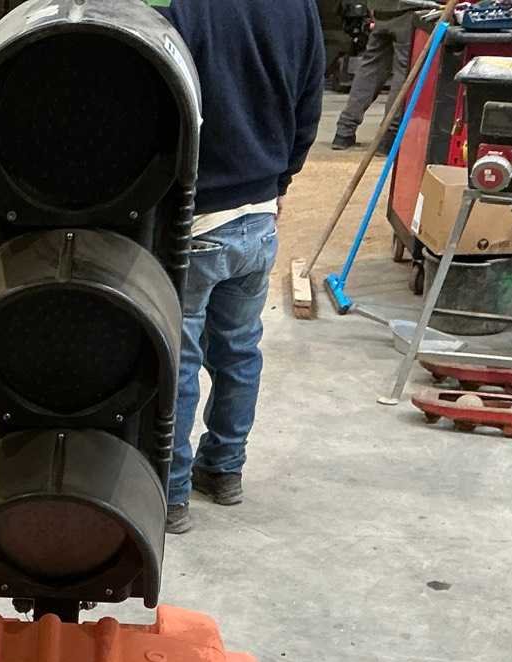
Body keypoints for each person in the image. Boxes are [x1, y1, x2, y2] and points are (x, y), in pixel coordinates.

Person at [163, 0, 324, 535]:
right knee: (238, 349)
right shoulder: (298, 6)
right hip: (258, 214)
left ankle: (171, 494)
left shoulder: (179, 5)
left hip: (194, 216)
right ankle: (224, 469)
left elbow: (154, 98)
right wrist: (280, 183)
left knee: (178, 360)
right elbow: (309, 101)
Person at [332, 3, 429, 152]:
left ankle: (344, 132)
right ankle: (389, 136)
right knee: (404, 70)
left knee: (371, 68)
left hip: (382, 8)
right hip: (410, 9)